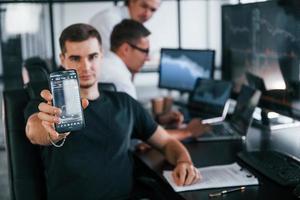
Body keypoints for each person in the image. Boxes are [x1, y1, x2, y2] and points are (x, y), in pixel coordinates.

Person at [25, 23, 201, 199]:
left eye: (92, 56)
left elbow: (166, 142)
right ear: (63, 59)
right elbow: (34, 130)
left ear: (101, 55)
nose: (86, 67)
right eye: (75, 58)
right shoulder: (46, 105)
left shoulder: (125, 103)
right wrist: (52, 131)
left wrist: (184, 161)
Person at [100, 19, 210, 141]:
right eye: (145, 51)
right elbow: (140, 139)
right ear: (126, 49)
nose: (147, 58)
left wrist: (158, 120)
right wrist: (187, 131)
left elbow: (131, 123)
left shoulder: (104, 64)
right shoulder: (119, 79)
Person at [90, 0, 160, 54]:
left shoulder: (133, 23)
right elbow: (115, 57)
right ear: (131, 1)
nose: (147, 14)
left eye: (152, 10)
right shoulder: (109, 20)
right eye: (144, 6)